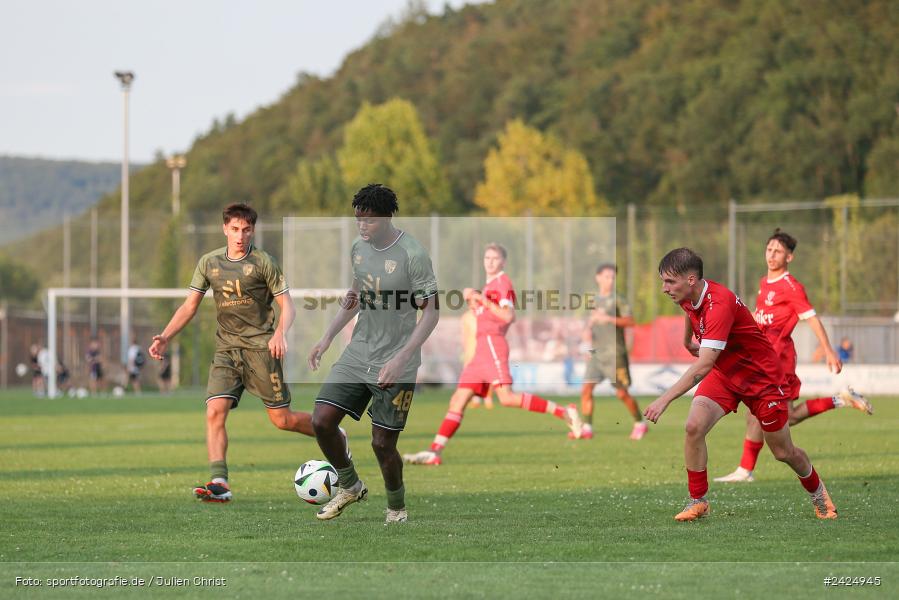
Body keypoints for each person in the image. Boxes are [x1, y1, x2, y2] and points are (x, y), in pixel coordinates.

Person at [149, 203, 347, 503]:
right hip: (227, 350)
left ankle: (336, 435)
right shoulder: (209, 263)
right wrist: (165, 336)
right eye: (234, 229)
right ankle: (220, 482)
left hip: (261, 351)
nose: (240, 235)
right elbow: (189, 306)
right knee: (214, 411)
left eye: (246, 229)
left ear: (252, 230)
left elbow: (288, 305)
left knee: (282, 420)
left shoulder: (263, 262)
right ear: (224, 229)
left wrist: (280, 332)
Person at [644, 248, 837, 521]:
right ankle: (697, 501)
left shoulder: (718, 304)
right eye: (663, 281)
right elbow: (688, 312)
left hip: (762, 380)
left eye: (669, 282)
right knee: (693, 426)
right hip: (726, 376)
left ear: (690, 280)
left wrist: (664, 399)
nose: (664, 288)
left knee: (783, 452)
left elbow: (703, 366)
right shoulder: (686, 294)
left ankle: (819, 495)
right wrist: (687, 341)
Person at [307, 183, 439, 523]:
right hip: (359, 352)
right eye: (358, 221)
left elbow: (432, 313)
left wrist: (402, 358)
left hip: (398, 360)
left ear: (387, 217)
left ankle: (396, 507)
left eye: (369, 221)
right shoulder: (358, 248)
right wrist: (326, 337)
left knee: (382, 444)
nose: (362, 227)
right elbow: (355, 294)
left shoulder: (413, 254)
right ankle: (349, 485)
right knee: (321, 421)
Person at [403, 243, 583, 467]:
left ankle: (564, 411)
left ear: (503, 262)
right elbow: (485, 312)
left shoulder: (502, 282)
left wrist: (481, 299)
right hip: (480, 350)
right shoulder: (489, 286)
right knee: (458, 400)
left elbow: (508, 316)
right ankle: (435, 451)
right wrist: (475, 300)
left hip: (493, 345)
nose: (489, 261)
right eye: (487, 257)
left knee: (507, 398)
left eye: (494, 258)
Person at [715, 230, 871, 483]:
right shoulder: (765, 284)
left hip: (778, 361)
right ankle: (745, 470)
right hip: (762, 359)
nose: (772, 255)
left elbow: (811, 319)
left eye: (778, 251)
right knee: (763, 414)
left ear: (789, 257)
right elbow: (762, 320)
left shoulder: (792, 287)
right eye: (769, 249)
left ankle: (745, 470)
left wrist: (829, 351)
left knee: (775, 414)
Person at [578, 263, 648, 441]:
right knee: (586, 389)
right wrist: (587, 332)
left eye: (612, 277)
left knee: (621, 393)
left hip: (615, 354)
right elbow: (589, 325)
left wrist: (608, 318)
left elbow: (631, 321)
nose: (610, 280)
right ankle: (587, 427)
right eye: (606, 276)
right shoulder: (593, 300)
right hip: (596, 353)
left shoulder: (618, 299)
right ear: (598, 277)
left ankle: (639, 423)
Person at [462, 294, 493, 409]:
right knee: (471, 376)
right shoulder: (466, 317)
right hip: (471, 351)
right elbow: (465, 335)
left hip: (484, 350)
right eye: (470, 302)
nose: (472, 304)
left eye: (475, 301)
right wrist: (465, 350)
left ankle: (487, 397)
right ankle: (475, 398)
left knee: (487, 375)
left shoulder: (486, 315)